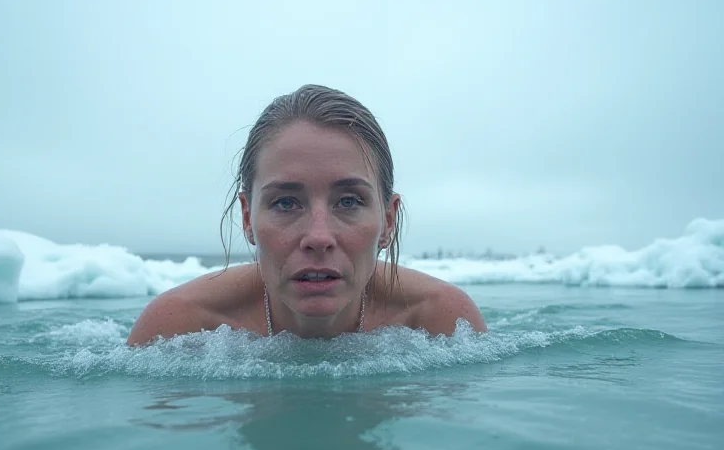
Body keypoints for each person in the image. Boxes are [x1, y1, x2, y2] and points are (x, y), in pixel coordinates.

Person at [127, 84, 486, 346]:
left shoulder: (442, 321)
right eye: (285, 203)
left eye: (348, 202)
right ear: (248, 218)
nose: (318, 237)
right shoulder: (178, 328)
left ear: (387, 221)